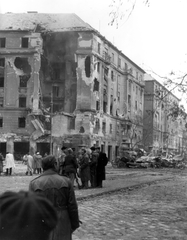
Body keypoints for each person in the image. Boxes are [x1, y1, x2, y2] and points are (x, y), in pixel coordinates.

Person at [29, 155, 80, 240]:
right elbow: (72, 206)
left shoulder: (34, 183)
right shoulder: (66, 181)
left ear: (43, 166)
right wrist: (74, 224)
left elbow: (31, 208)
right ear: (55, 164)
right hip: (62, 218)